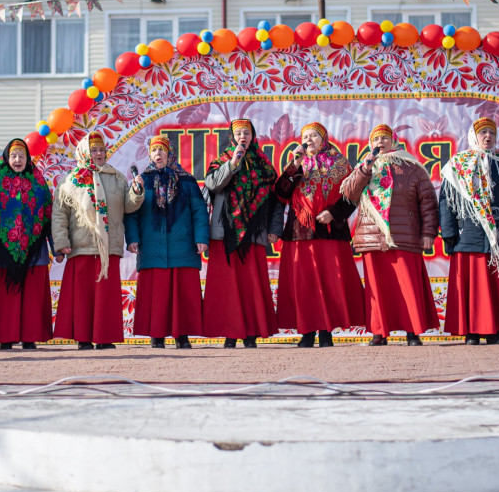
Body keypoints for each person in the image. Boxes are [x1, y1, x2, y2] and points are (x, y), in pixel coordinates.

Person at [340, 123, 439, 346]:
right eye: (376, 139)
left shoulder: (412, 166)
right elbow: (349, 194)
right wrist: (365, 169)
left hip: (405, 235)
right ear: (370, 144)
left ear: (394, 141)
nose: (380, 142)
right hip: (373, 237)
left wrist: (428, 233)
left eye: (385, 138)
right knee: (377, 287)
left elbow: (428, 202)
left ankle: (412, 332)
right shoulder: (365, 166)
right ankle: (379, 332)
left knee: (407, 285)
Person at [274, 121, 365, 348]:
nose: (309, 140)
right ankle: (307, 331)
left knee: (330, 282)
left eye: (314, 135)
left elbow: (352, 196)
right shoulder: (297, 163)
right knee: (305, 284)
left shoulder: (340, 163)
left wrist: (334, 213)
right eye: (306, 136)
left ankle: (326, 331)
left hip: (330, 232)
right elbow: (281, 193)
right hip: (300, 232)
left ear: (323, 139)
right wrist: (294, 164)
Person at [439, 116, 499, 345]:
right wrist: (448, 233)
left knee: (496, 287)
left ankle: (493, 331)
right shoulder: (457, 165)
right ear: (473, 136)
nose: (488, 137)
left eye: (492, 133)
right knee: (473, 288)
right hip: (469, 235)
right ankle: (472, 332)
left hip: (498, 235)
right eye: (483, 133)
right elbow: (447, 201)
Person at [52, 132, 144, 349]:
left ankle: (104, 339)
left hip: (108, 247)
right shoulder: (70, 181)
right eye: (94, 150)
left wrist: (137, 192)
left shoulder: (116, 177)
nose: (99, 154)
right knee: (83, 296)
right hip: (81, 246)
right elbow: (59, 215)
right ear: (85, 152)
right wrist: (60, 242)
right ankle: (83, 339)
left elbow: (128, 206)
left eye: (102, 150)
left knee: (106, 295)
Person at [203, 119, 282, 348]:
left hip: (254, 234)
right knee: (228, 287)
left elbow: (276, 200)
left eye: (246, 132)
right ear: (232, 137)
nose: (242, 136)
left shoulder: (264, 165)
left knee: (251, 285)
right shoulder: (221, 161)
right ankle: (230, 332)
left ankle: (251, 333)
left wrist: (275, 229)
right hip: (225, 235)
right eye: (238, 133)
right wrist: (233, 162)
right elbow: (213, 185)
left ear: (253, 135)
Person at [126, 134, 209, 349]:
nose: (158, 154)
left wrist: (201, 238)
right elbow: (132, 212)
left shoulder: (187, 180)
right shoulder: (142, 180)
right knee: (157, 292)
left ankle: (182, 335)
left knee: (181, 292)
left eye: (162, 150)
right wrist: (133, 238)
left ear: (170, 153)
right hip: (152, 245)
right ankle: (157, 335)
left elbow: (199, 211)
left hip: (183, 244)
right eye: (154, 150)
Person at [0, 138, 54, 349]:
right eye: (13, 155)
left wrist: (56, 247)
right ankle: (6, 337)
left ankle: (29, 337)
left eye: (22, 155)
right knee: (5, 297)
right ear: (6, 158)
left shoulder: (39, 182)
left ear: (28, 159)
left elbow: (49, 215)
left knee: (32, 296)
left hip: (35, 250)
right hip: (2, 252)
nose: (18, 159)